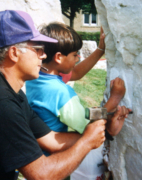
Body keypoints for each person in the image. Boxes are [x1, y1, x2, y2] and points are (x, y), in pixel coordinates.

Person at [0, 10, 117, 180]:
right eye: (37, 49)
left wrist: (96, 134)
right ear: (14, 53)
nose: (44, 55)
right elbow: (41, 174)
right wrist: (87, 142)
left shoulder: (7, 90)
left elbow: (50, 139)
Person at [26, 22, 130, 180]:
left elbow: (74, 73)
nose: (78, 57)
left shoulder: (37, 77)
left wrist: (100, 49)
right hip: (56, 165)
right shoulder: (61, 93)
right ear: (59, 57)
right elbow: (87, 124)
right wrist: (114, 100)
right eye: (75, 54)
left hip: (38, 157)